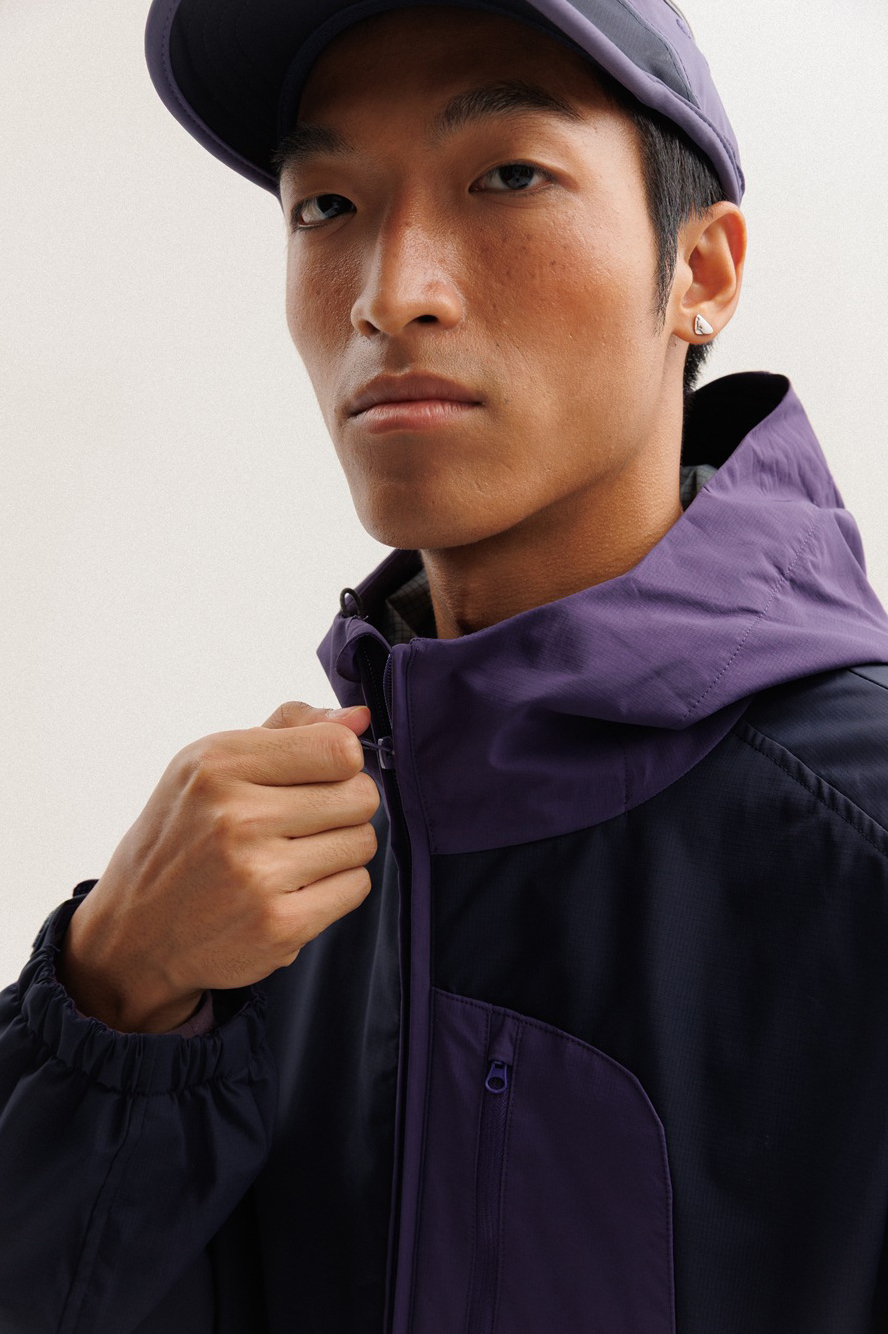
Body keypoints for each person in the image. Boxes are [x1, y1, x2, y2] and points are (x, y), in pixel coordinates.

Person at [2, 0, 888, 1330]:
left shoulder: (861, 838)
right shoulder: (232, 904)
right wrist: (107, 1001)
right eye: (327, 206)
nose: (390, 290)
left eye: (508, 177)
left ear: (701, 272)